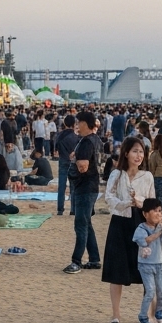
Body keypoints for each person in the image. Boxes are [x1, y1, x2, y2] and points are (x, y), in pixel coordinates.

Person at [102, 137, 155, 323]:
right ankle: (116, 314)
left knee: (147, 269)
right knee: (116, 269)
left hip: (141, 223)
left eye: (141, 152)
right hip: (119, 223)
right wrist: (126, 203)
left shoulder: (147, 176)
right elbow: (109, 198)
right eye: (135, 151)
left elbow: (152, 203)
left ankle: (149, 314)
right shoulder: (116, 174)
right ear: (126, 153)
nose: (138, 155)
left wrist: (139, 202)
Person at [65, 111, 104, 274]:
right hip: (92, 186)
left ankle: (76, 261)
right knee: (86, 223)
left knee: (80, 224)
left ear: (85, 124)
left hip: (84, 187)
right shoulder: (95, 140)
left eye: (79, 122)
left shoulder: (87, 142)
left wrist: (75, 162)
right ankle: (94, 259)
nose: (76, 125)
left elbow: (83, 166)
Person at [133, 198, 162, 323]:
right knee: (150, 292)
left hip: (160, 263)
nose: (158, 214)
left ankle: (159, 315)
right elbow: (144, 241)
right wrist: (159, 232)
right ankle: (143, 318)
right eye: (154, 211)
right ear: (145, 214)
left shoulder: (160, 227)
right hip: (146, 265)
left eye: (160, 211)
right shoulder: (141, 228)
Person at [54, 115, 78, 215]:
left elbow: (55, 150)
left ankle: (60, 209)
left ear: (64, 124)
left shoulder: (59, 135)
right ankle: (73, 209)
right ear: (74, 124)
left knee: (61, 187)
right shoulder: (75, 137)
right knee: (73, 186)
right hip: (72, 163)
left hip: (62, 161)